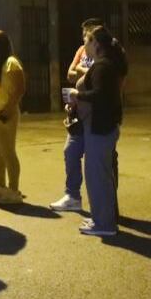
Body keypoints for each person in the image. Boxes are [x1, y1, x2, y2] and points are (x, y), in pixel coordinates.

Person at [71, 26, 127, 236]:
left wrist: (79, 95)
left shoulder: (103, 66)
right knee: (100, 175)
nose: (84, 45)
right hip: (102, 127)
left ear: (96, 44)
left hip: (100, 127)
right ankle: (101, 218)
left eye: (87, 41)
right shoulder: (106, 64)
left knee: (98, 176)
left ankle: (104, 223)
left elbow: (101, 95)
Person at [51, 17, 102, 212]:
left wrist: (82, 72)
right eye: (83, 35)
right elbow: (70, 74)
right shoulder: (81, 51)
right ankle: (72, 195)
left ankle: (104, 205)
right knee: (70, 151)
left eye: (88, 35)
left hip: (97, 113)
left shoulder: (107, 52)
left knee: (97, 162)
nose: (84, 39)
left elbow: (99, 75)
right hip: (78, 110)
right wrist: (85, 71)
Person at [0, 30, 26, 205]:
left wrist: (7, 111)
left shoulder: (11, 63)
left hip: (5, 114)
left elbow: (19, 90)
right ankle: (1, 187)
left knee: (8, 152)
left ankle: (13, 190)